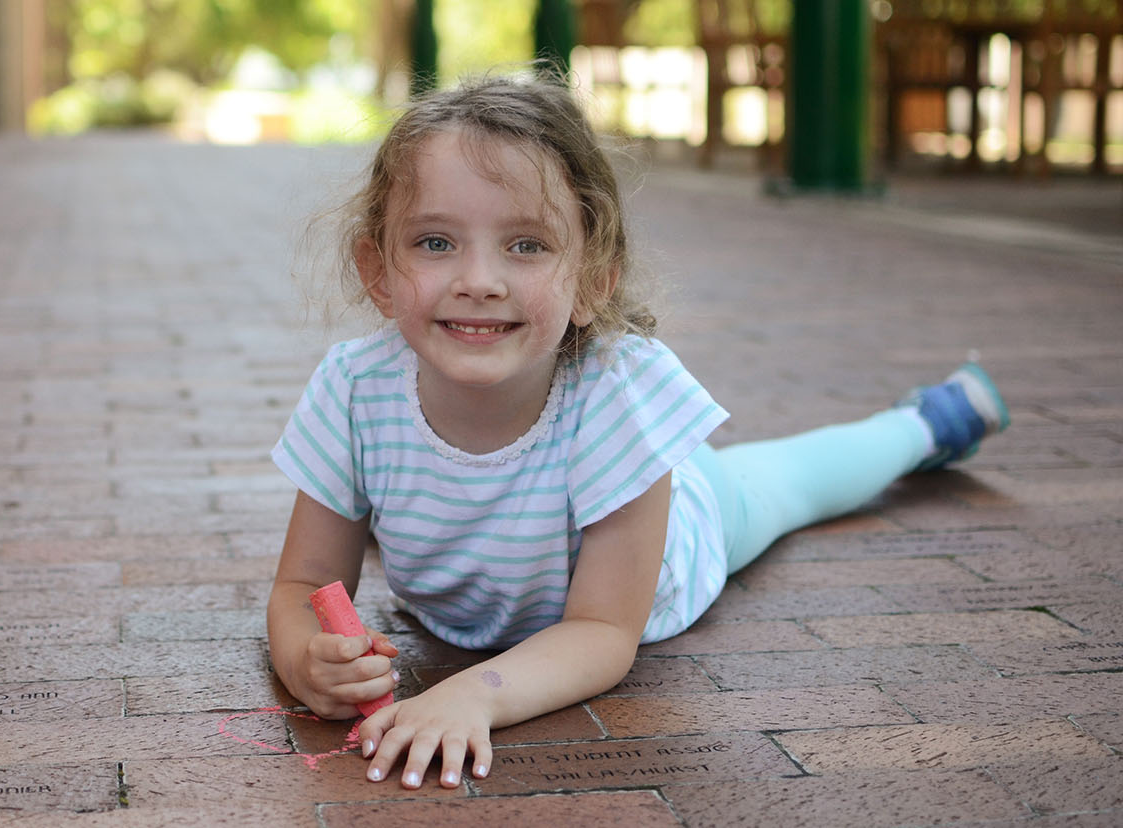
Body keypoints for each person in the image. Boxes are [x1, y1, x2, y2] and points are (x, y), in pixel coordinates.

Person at [265, 74, 1009, 791]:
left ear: (593, 277)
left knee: (792, 481)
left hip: (684, 529)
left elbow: (600, 632)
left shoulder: (616, 396)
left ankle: (927, 423)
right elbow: (302, 585)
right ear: (377, 270)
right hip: (512, 574)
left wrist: (474, 694)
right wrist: (309, 660)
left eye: (527, 245)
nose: (479, 279)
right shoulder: (356, 389)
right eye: (435, 243)